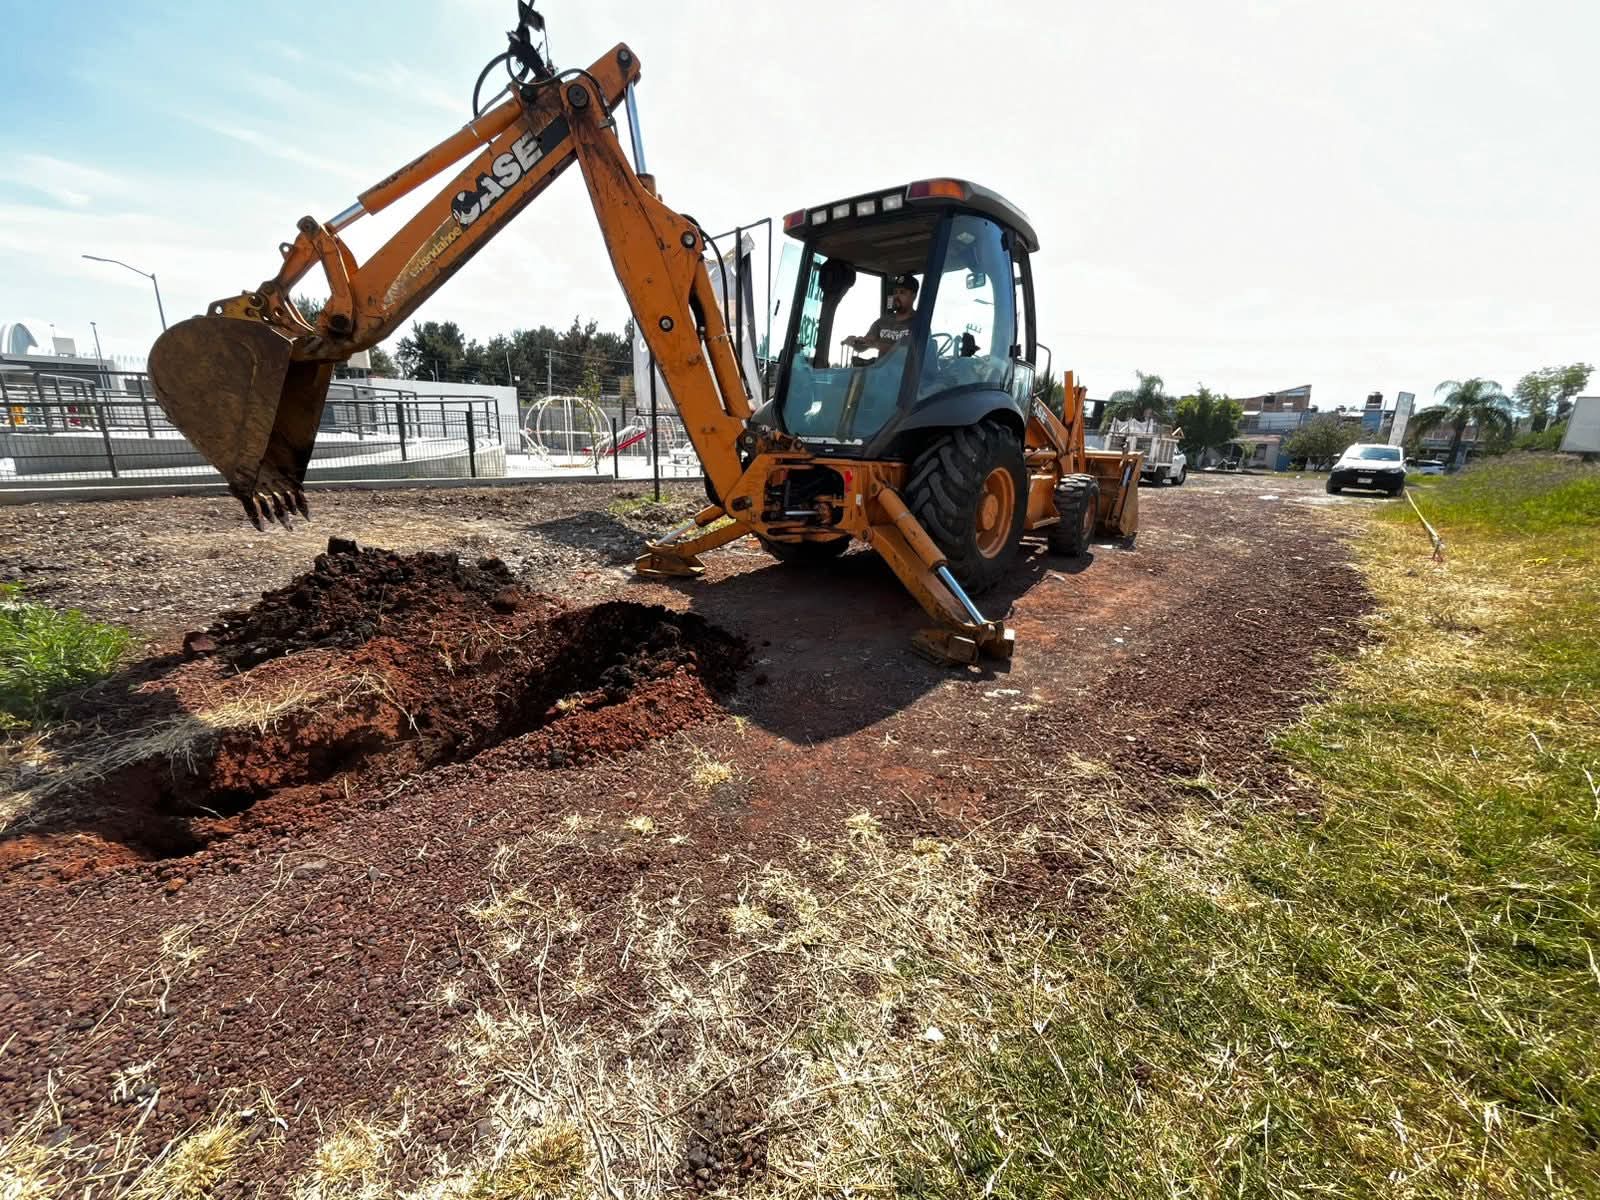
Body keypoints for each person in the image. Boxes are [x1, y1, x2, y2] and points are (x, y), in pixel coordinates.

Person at [843, 274, 919, 358]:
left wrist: (875, 344)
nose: (897, 296)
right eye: (895, 292)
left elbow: (910, 351)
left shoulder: (919, 322)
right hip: (881, 371)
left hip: (906, 371)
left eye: (902, 292)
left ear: (913, 296)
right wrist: (855, 342)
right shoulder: (882, 321)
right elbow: (865, 344)